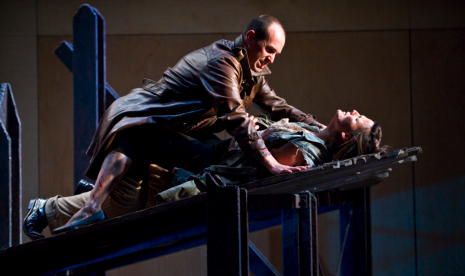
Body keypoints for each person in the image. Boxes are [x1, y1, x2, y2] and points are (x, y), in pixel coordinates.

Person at [23, 15, 326, 239]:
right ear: (249, 38)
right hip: (144, 121)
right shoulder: (222, 64)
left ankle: (66, 203)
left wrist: (318, 126)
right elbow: (235, 118)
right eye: (269, 49)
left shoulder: (252, 73)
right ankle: (80, 202)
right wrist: (271, 162)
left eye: (276, 54)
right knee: (118, 199)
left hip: (175, 134)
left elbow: (280, 107)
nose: (271, 58)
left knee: (128, 204)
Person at [156, 109, 384, 202]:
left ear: (345, 136)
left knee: (149, 137)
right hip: (224, 150)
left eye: (357, 118)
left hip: (216, 166)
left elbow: (250, 166)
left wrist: (254, 132)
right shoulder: (316, 131)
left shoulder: (303, 152)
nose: (354, 111)